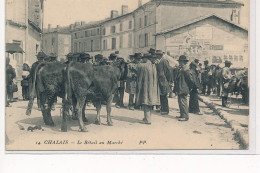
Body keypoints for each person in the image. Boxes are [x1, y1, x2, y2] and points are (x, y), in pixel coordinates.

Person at [135, 53, 160, 125]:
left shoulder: (143, 65)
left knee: (145, 102)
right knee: (149, 102)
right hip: (153, 88)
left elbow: (136, 69)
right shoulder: (153, 65)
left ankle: (147, 119)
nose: (142, 59)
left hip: (145, 87)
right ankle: (147, 117)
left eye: (143, 58)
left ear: (146, 58)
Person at [174, 55, 193, 121]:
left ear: (184, 62)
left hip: (183, 88)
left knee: (183, 102)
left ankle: (185, 116)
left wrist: (189, 87)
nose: (179, 63)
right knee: (180, 101)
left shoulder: (186, 70)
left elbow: (191, 80)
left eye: (181, 62)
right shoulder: (182, 69)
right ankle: (182, 114)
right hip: (181, 87)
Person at [155, 50, 172, 115]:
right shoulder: (159, 61)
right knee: (161, 95)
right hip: (159, 81)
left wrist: (168, 80)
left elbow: (168, 71)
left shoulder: (164, 61)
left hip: (163, 81)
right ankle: (162, 108)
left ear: (160, 55)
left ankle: (165, 110)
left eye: (157, 55)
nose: (156, 56)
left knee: (164, 95)